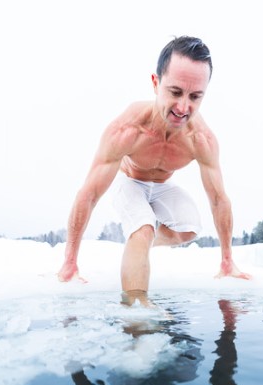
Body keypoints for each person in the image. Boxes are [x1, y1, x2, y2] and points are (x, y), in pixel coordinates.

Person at [57, 36, 251, 299]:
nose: (183, 108)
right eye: (175, 92)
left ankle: (140, 246)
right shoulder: (127, 129)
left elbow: (218, 199)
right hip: (129, 182)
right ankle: (137, 313)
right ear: (155, 83)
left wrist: (227, 260)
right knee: (143, 227)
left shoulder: (201, 139)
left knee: (190, 228)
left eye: (195, 97)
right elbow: (88, 195)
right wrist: (70, 262)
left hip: (161, 186)